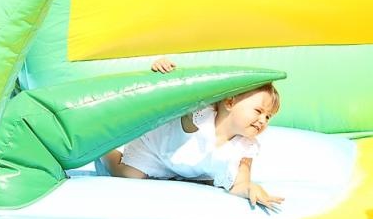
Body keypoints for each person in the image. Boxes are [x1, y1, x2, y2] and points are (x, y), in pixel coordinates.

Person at [102, 60, 284, 211]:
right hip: (157, 149)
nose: (263, 120)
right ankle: (104, 149)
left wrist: (251, 187)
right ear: (229, 102)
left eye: (268, 116)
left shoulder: (246, 146)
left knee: (212, 181)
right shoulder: (200, 117)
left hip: (189, 167)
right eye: (258, 111)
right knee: (128, 175)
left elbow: (240, 183)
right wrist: (166, 72)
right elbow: (182, 95)